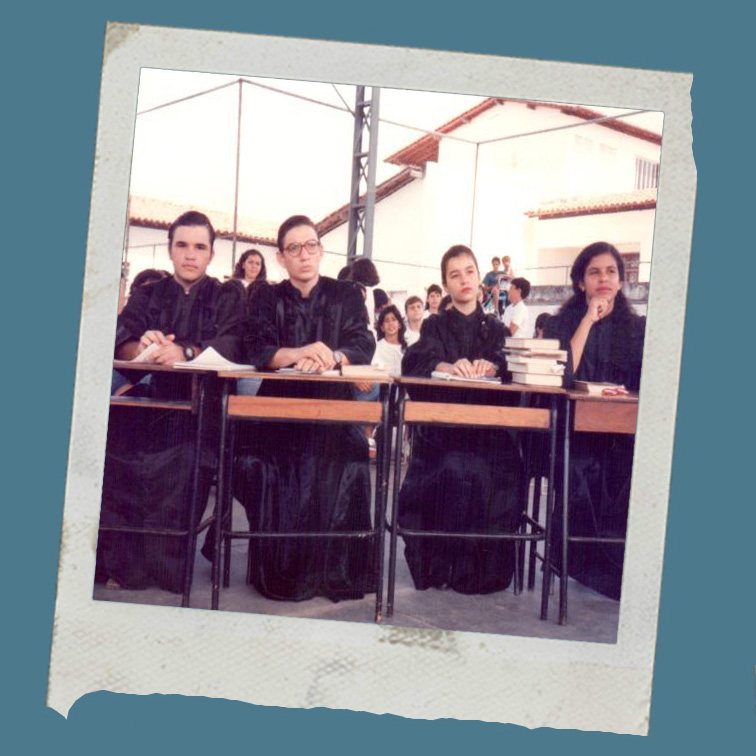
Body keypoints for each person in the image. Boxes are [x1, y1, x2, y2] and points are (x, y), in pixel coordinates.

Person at [96, 211, 246, 593]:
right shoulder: (148, 294)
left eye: (199, 247)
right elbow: (120, 338)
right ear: (169, 250)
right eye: (182, 245)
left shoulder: (227, 295)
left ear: (211, 254)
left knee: (182, 461)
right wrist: (140, 347)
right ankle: (123, 566)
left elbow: (234, 343)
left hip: (201, 410)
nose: (190, 254)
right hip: (150, 404)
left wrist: (185, 352)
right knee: (116, 451)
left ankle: (166, 570)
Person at [233, 214, 377, 602]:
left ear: (321, 250)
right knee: (272, 466)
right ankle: (286, 574)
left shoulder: (346, 294)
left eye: (311, 245)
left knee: (349, 459)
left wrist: (332, 357)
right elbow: (256, 347)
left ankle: (336, 573)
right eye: (294, 248)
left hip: (335, 412)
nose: (304, 255)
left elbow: (363, 343)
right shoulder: (267, 296)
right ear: (281, 257)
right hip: (279, 414)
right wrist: (300, 353)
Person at [398, 244, 524, 594]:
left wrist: (492, 366)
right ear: (445, 285)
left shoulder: (496, 328)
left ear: (480, 277)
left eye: (470, 272)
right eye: (455, 275)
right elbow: (416, 361)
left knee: (492, 471)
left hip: (488, 433)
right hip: (443, 432)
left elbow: (509, 366)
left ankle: (479, 571)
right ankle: (438, 567)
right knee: (451, 466)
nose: (464, 280)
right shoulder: (434, 325)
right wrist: (447, 366)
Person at [544, 241, 646, 600]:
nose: (604, 279)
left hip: (621, 433)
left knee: (632, 472)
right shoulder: (560, 323)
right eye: (594, 272)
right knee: (581, 468)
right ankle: (575, 562)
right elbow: (562, 373)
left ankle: (616, 569)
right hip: (571, 431)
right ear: (580, 282)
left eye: (611, 272)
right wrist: (588, 319)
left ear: (620, 280)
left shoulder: (637, 328)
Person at [374, 304, 407, 376]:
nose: (390, 323)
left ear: (399, 325)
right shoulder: (377, 348)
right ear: (382, 327)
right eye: (386, 321)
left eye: (393, 320)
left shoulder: (407, 348)